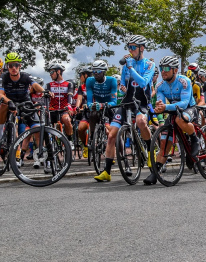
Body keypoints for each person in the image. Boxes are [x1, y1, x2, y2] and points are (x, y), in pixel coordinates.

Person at [145, 55, 198, 185]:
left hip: (188, 108)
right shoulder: (160, 86)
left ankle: (194, 138)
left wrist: (165, 107)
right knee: (164, 142)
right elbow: (161, 104)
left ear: (175, 70)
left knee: (180, 120)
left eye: (167, 68)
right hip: (173, 112)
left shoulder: (184, 81)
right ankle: (156, 172)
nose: (163, 71)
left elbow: (184, 103)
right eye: (161, 68)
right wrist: (159, 108)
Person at [111, 35, 156, 172]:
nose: (130, 50)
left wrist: (130, 68)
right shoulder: (126, 66)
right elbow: (122, 85)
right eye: (128, 47)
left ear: (142, 48)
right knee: (112, 133)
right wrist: (122, 88)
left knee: (141, 122)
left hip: (142, 101)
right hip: (127, 101)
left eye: (133, 47)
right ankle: (107, 171)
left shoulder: (149, 64)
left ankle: (151, 150)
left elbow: (143, 83)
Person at [0, 52, 44, 148]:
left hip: (25, 104)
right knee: (3, 105)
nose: (13, 68)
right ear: (7, 67)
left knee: (38, 130)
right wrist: (9, 102)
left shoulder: (26, 76)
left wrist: (44, 91)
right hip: (11, 104)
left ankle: (40, 153)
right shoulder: (3, 77)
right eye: (10, 65)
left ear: (20, 66)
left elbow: (35, 85)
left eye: (16, 65)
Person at [83, 60, 119, 182]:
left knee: (115, 134)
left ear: (104, 72)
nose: (95, 74)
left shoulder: (112, 80)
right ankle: (93, 136)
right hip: (97, 106)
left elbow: (114, 101)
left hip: (110, 107)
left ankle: (123, 158)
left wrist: (104, 105)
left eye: (98, 72)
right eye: (93, 72)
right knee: (92, 114)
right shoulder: (90, 81)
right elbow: (89, 100)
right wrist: (90, 105)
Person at [44, 62, 75, 141]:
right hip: (52, 110)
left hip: (63, 109)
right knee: (44, 124)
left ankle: (69, 140)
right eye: (49, 72)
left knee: (66, 120)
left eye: (52, 72)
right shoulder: (49, 85)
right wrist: (45, 107)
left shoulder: (68, 84)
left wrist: (69, 105)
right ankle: (48, 144)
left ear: (58, 71)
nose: (50, 74)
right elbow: (45, 98)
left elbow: (70, 96)